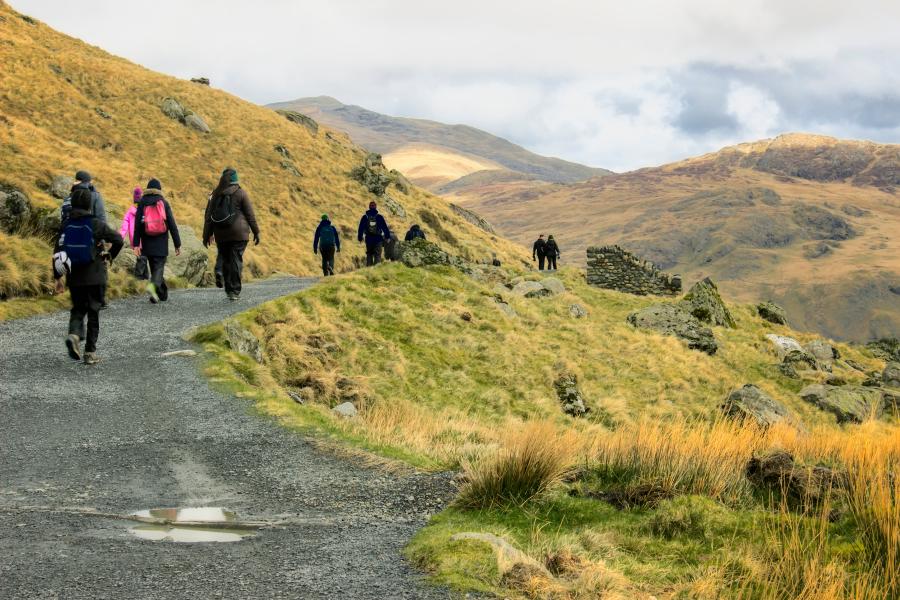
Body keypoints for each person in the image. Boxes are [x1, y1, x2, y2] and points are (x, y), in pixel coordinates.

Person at [53, 187, 123, 364]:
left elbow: (58, 252)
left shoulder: (66, 225)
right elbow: (118, 240)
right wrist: (109, 254)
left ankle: (74, 335)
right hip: (96, 275)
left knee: (78, 309)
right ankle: (90, 353)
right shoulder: (96, 224)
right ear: (89, 204)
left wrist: (58, 278)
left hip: (74, 276)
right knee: (94, 312)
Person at [203, 168, 260, 300]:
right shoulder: (241, 193)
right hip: (239, 233)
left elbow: (208, 217)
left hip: (221, 234)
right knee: (235, 260)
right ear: (236, 180)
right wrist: (256, 232)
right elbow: (250, 215)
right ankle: (234, 291)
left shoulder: (214, 194)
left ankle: (228, 288)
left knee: (226, 259)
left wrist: (206, 235)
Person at [62, 171, 110, 307]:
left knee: (77, 264)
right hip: (92, 235)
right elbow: (101, 217)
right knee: (99, 265)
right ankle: (100, 298)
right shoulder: (95, 196)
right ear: (88, 181)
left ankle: (80, 297)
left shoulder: (70, 196)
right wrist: (102, 239)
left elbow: (64, 217)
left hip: (73, 236)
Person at [133, 179, 181, 304]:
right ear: (159, 190)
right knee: (159, 267)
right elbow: (172, 224)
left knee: (155, 269)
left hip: (147, 242)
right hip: (161, 242)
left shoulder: (142, 202)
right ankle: (153, 287)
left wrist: (136, 244)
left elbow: (137, 224)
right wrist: (177, 244)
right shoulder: (163, 202)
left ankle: (161, 294)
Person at [357, 201, 391, 266]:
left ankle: (369, 270)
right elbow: (385, 227)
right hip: (378, 239)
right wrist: (387, 237)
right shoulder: (379, 217)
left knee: (369, 255)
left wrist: (360, 238)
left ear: (369, 207)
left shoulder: (365, 217)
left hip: (368, 239)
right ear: (376, 207)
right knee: (377, 255)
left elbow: (360, 228)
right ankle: (376, 271)